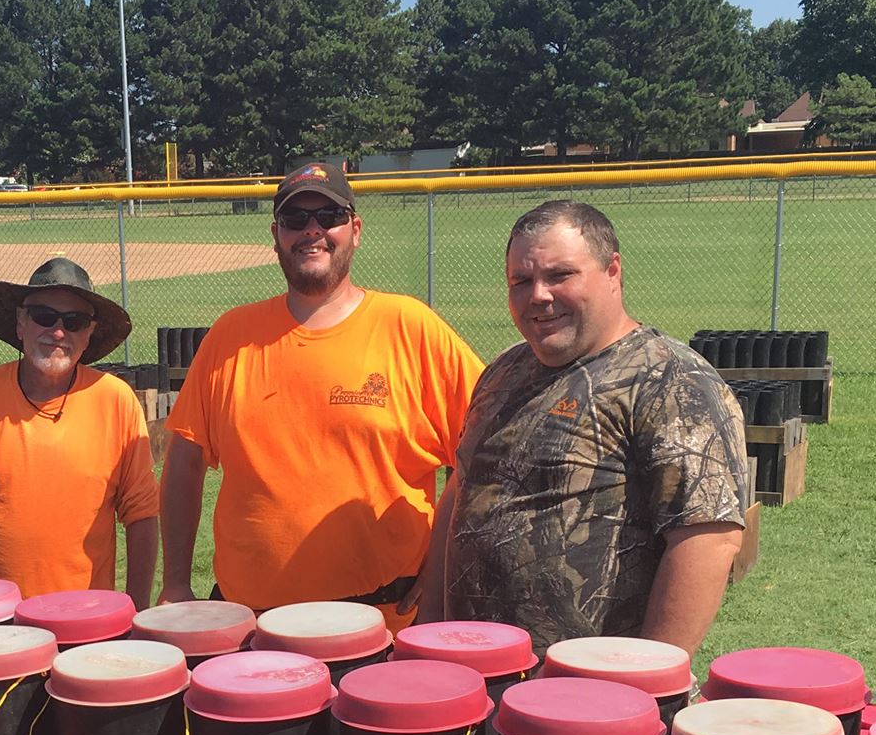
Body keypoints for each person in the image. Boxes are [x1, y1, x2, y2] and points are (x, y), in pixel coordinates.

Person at [158, 161, 484, 627]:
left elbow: (486, 448)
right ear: (276, 234)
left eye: (328, 216)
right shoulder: (232, 336)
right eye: (295, 220)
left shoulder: (410, 328)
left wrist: (444, 566)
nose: (312, 231)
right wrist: (174, 581)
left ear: (355, 229)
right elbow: (184, 461)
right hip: (251, 625)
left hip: (384, 621)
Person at [429, 199, 749, 655]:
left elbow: (707, 539)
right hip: (473, 677)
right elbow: (460, 494)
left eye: (560, 275)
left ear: (612, 270)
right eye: (521, 280)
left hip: (589, 695)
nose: (538, 295)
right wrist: (426, 638)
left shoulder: (670, 381)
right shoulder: (503, 371)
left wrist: (643, 683)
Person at [0, 258, 159, 601]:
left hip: (85, 620)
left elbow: (142, 513)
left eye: (74, 321)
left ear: (89, 334)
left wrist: (135, 611)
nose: (58, 332)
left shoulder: (116, 401)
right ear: (21, 323)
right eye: (43, 317)